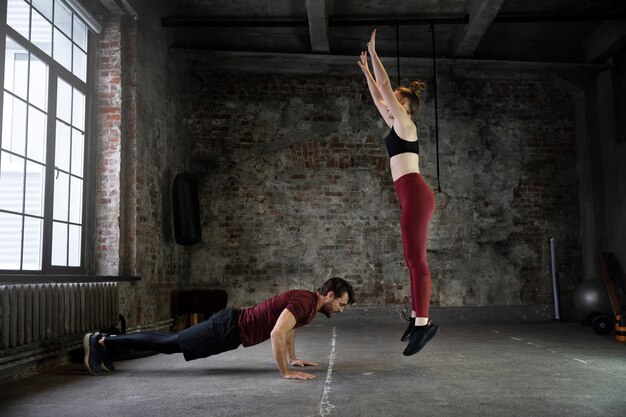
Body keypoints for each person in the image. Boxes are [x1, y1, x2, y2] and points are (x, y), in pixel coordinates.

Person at [83, 277, 355, 380]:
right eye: (341, 304)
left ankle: (108, 343)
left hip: (231, 333)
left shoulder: (308, 307)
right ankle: (104, 342)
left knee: (173, 343)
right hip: (228, 327)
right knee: (171, 344)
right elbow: (276, 333)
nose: (341, 310)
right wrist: (286, 371)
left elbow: (287, 328)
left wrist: (293, 357)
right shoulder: (304, 300)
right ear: (329, 295)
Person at [357, 28, 438, 356]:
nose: (389, 107)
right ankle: (418, 318)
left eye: (395, 104)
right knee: (411, 259)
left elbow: (386, 90)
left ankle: (424, 325)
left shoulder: (406, 125)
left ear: (405, 106)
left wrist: (375, 55)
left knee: (417, 261)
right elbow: (380, 97)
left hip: (416, 196)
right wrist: (366, 73)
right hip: (409, 196)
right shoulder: (394, 125)